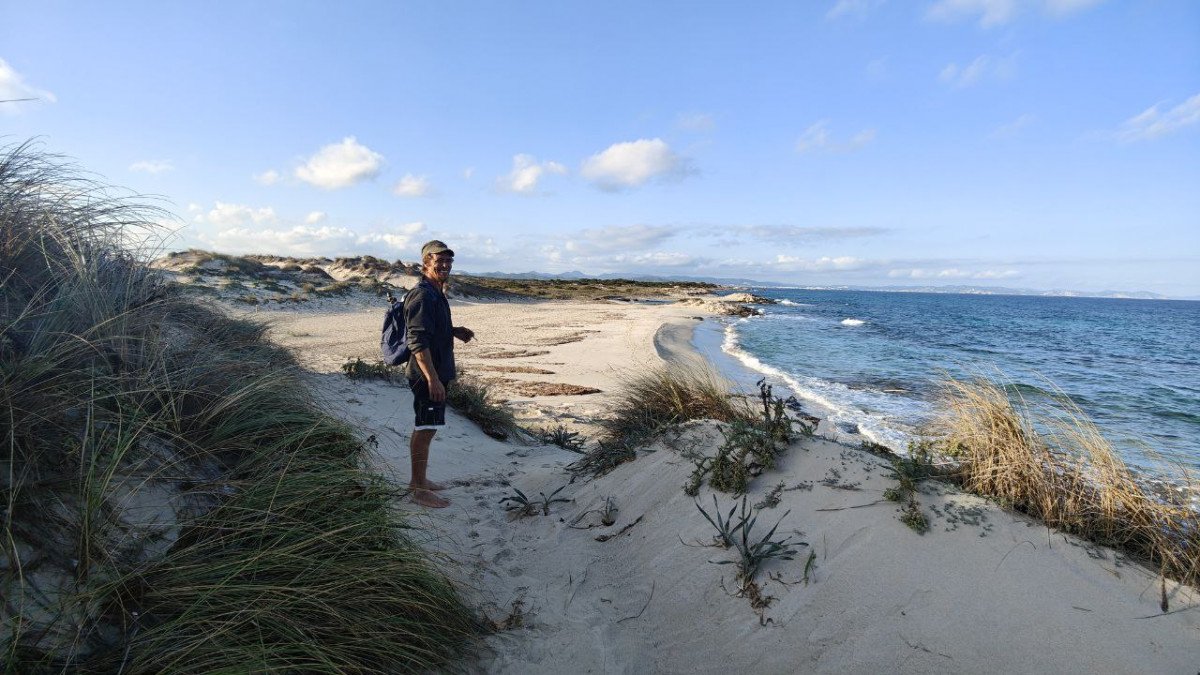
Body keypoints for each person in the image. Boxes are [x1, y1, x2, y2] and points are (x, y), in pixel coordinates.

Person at [404, 240, 474, 508]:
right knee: (425, 427)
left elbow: (430, 330)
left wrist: (453, 330)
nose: (444, 265)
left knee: (427, 427)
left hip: (435, 371)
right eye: (438, 260)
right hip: (425, 374)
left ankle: (418, 481)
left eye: (448, 261)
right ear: (426, 263)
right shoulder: (422, 295)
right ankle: (419, 489)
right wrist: (432, 379)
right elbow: (417, 342)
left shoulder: (436, 292)